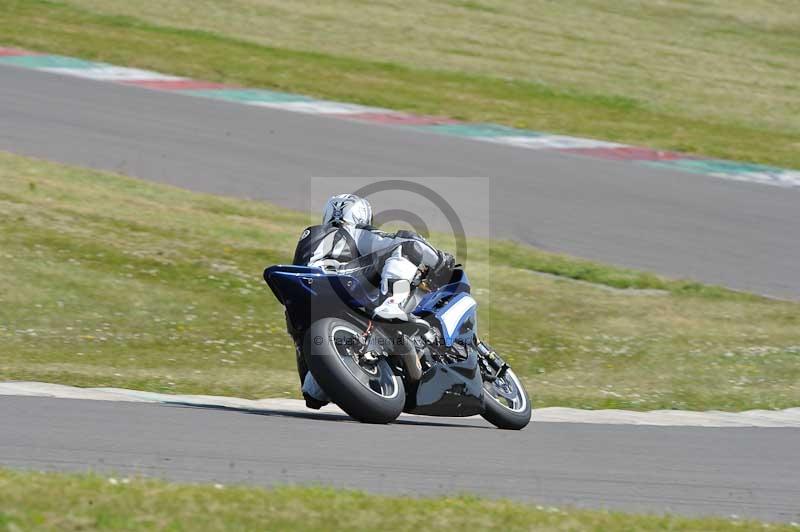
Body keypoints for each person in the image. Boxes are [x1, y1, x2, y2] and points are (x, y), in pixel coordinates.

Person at [288, 193, 455, 408]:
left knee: (313, 391)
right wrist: (440, 260)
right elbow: (408, 240)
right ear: (362, 215)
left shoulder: (309, 236)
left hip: (311, 306)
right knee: (405, 247)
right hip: (342, 285)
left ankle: (317, 381)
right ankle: (393, 303)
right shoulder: (354, 232)